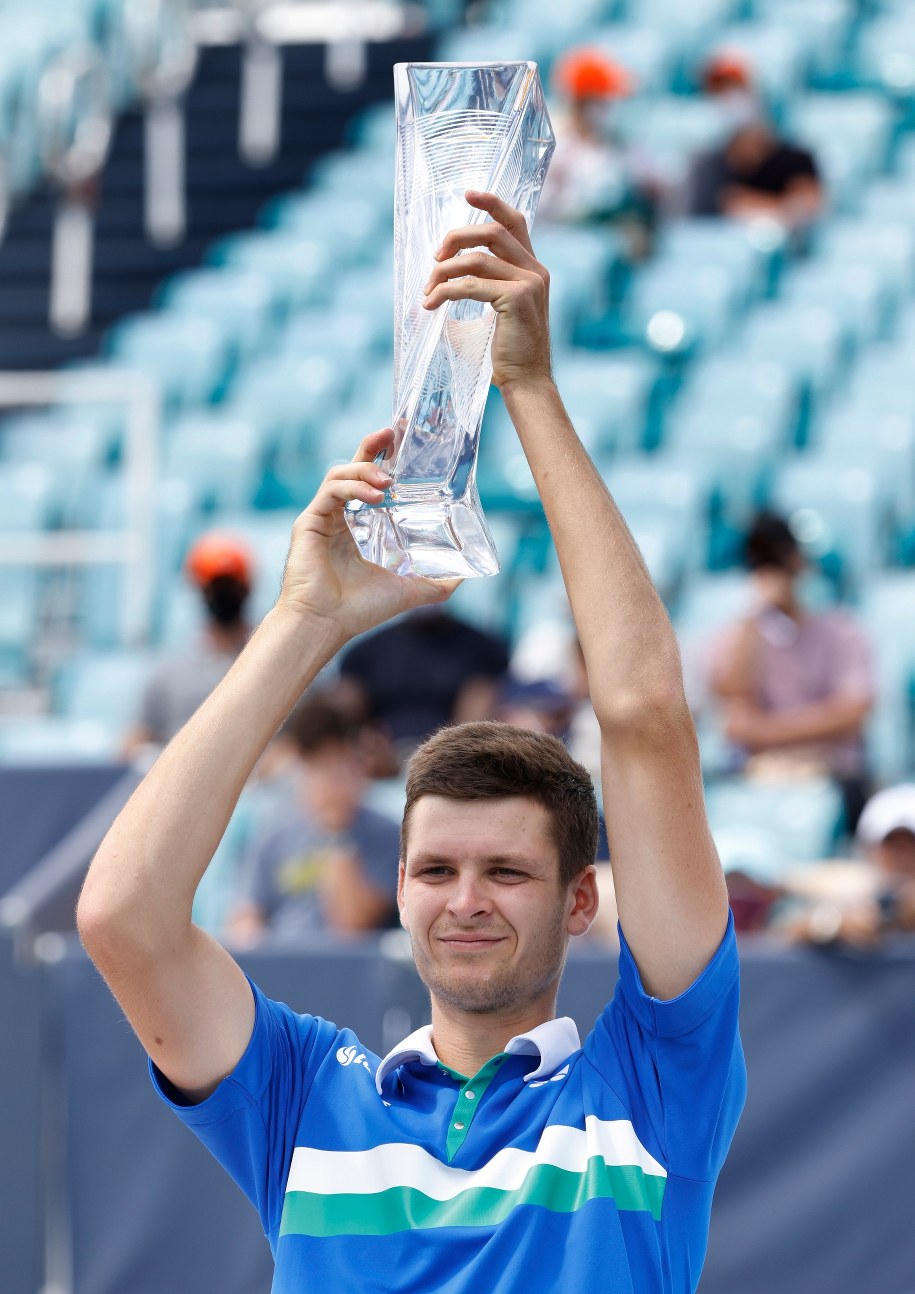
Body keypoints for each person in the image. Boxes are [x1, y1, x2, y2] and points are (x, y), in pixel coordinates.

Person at [77, 191, 745, 1293]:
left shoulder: (651, 1085)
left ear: (582, 900)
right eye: (435, 869)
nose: (464, 899)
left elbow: (641, 716)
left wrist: (529, 387)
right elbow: (123, 921)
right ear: (398, 887)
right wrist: (307, 622)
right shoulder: (305, 1093)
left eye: (507, 872)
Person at [709, 511, 874, 830]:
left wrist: (764, 732)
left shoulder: (844, 632)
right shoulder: (741, 635)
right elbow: (733, 704)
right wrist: (753, 613)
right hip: (761, 781)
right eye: (763, 564)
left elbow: (853, 714)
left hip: (834, 778)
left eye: (782, 560)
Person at [225, 696, 400, 945]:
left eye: (337, 765)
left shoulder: (386, 834)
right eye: (316, 766)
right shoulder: (274, 832)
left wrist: (335, 833)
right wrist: (253, 941)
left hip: (348, 964)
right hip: (281, 959)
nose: (327, 780)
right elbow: (244, 917)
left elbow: (353, 925)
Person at [122, 530, 255, 759]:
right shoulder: (169, 674)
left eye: (230, 586)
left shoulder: (272, 661)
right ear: (201, 591)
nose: (223, 595)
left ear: (245, 588)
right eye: (216, 588)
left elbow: (299, 739)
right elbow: (134, 741)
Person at [335, 605, 510, 764]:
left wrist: (450, 754)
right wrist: (366, 742)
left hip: (448, 758)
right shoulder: (364, 654)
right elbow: (346, 708)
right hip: (378, 761)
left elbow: (476, 711)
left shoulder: (481, 649)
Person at [687, 51, 823, 231]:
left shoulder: (798, 159)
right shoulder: (708, 166)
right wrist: (779, 207)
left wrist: (746, 204)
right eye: (718, 93)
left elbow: (807, 208)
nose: (728, 100)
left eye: (736, 90)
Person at [779, 783, 915, 948]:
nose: (903, 856)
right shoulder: (856, 892)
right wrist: (836, 925)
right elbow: (786, 933)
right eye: (893, 846)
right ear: (870, 849)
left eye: (911, 845)